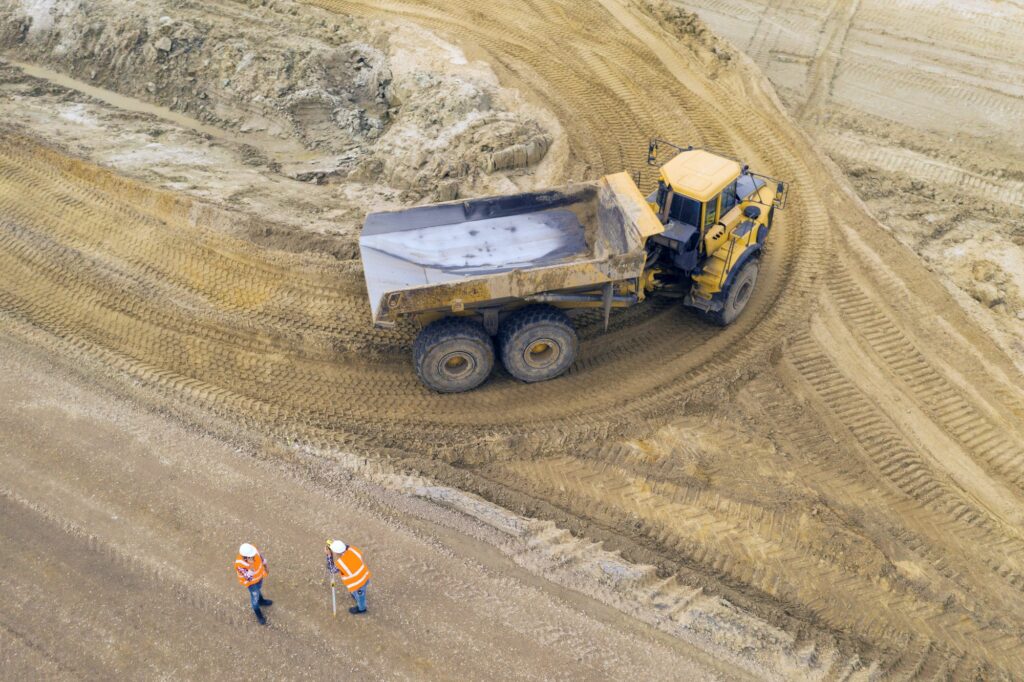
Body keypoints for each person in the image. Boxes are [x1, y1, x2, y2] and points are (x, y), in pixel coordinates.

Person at [325, 539, 371, 614]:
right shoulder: (353, 550)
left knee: (360, 597)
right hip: (365, 576)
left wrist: (329, 556)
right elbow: (346, 547)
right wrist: (336, 543)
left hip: (357, 584)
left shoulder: (341, 563)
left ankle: (362, 609)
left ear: (336, 552)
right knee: (357, 594)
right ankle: (355, 595)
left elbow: (332, 569)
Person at [235, 543, 272, 625]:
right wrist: (251, 564)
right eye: (251, 556)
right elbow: (248, 577)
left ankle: (261, 601)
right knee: (254, 599)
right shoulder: (239, 564)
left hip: (259, 578)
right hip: (252, 583)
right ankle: (259, 615)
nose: (253, 555)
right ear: (245, 557)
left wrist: (265, 566)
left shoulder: (253, 549)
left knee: (258, 590)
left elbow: (260, 557)